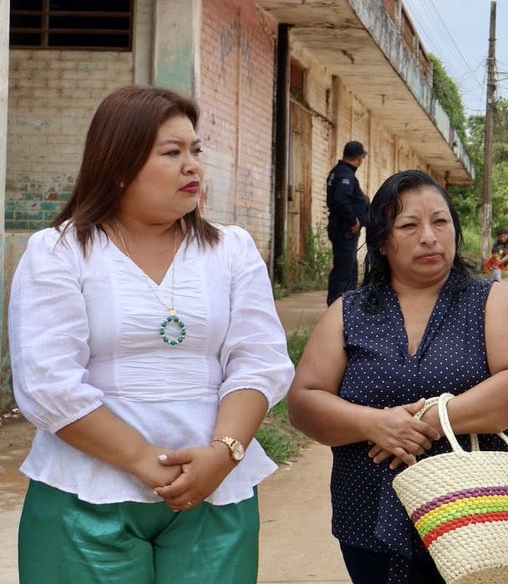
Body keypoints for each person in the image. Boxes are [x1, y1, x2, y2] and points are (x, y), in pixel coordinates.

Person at [9, 85, 295, 584]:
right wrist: (144, 461)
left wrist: (222, 454)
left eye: (195, 151)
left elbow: (259, 362)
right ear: (119, 165)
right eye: (172, 152)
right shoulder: (60, 251)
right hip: (85, 493)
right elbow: (47, 382)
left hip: (214, 492)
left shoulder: (232, 251)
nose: (193, 167)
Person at [288, 170, 508, 584]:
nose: (429, 236)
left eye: (440, 221)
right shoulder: (349, 311)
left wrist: (427, 422)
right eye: (409, 225)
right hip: (367, 514)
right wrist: (375, 424)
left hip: (473, 515)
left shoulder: (487, 300)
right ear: (380, 242)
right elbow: (304, 401)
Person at [327, 140, 370, 305]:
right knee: (344, 269)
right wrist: (354, 221)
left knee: (349, 267)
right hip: (345, 229)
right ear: (359, 158)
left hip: (342, 228)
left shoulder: (338, 172)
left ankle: (348, 304)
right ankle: (336, 305)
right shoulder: (345, 175)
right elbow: (340, 199)